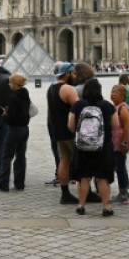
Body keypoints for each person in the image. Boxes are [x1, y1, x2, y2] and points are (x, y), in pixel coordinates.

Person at [68, 78, 117, 216]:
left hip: (82, 147)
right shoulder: (107, 106)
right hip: (103, 147)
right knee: (102, 178)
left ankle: (81, 205)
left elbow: (71, 125)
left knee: (84, 177)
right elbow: (116, 125)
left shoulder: (77, 105)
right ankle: (106, 207)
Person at [46, 62, 80, 203]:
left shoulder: (51, 88)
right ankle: (87, 192)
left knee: (64, 161)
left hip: (58, 131)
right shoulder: (68, 89)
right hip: (71, 132)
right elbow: (79, 109)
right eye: (73, 73)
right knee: (81, 161)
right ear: (67, 73)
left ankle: (65, 193)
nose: (75, 76)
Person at [0, 73, 32, 192]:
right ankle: (19, 184)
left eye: (10, 82)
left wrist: (6, 114)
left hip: (15, 129)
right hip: (25, 128)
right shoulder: (25, 94)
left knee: (6, 156)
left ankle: (3, 185)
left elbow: (11, 118)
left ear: (16, 83)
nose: (9, 84)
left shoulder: (13, 97)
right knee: (20, 157)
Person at [110, 84, 129, 203]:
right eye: (112, 91)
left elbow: (127, 126)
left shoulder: (122, 108)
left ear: (123, 95)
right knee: (120, 167)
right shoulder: (116, 106)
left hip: (120, 143)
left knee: (120, 167)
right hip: (116, 143)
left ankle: (123, 192)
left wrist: (124, 142)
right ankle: (125, 191)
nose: (113, 94)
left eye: (116, 92)